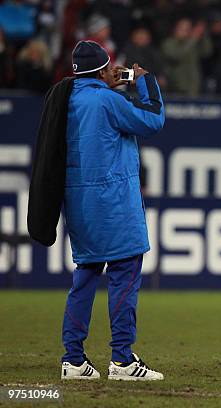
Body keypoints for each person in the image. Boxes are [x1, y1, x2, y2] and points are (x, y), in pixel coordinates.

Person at [28, 40, 165, 381]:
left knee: (85, 278)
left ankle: (73, 360)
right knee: (125, 275)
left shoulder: (66, 97)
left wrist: (107, 83)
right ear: (104, 70)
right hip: (114, 204)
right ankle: (122, 360)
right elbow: (153, 120)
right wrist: (144, 81)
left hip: (80, 206)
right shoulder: (107, 99)